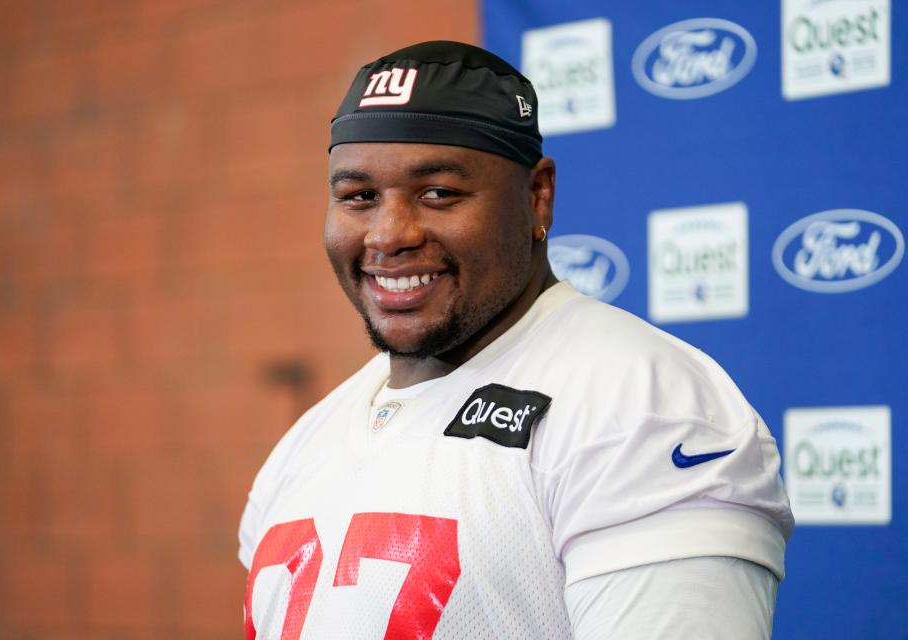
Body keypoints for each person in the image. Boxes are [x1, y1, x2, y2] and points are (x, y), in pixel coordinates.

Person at [238, 40, 793, 639]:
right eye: (359, 198)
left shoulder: (639, 403)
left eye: (438, 193)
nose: (389, 234)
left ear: (537, 196)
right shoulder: (304, 445)